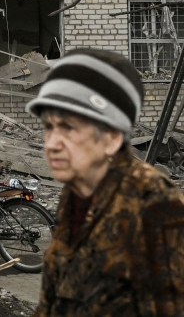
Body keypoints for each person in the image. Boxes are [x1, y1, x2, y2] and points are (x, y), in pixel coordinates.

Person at [26, 49, 184, 316]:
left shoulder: (154, 202)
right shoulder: (76, 194)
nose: (51, 144)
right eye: (49, 127)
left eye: (69, 128)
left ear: (111, 136)